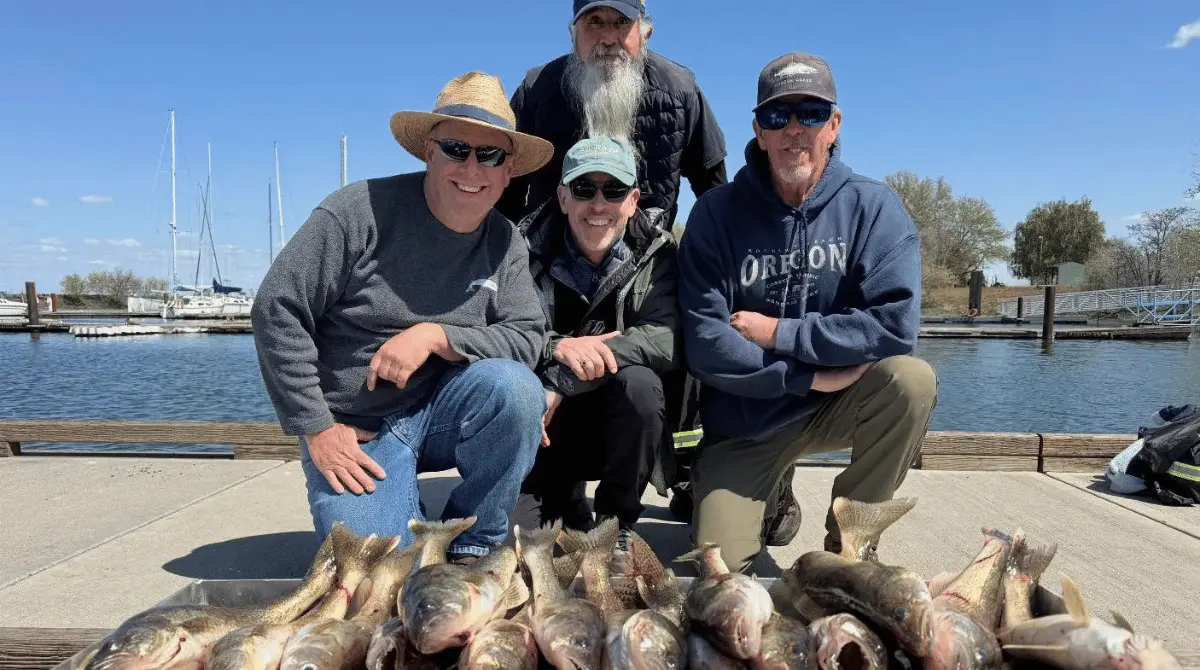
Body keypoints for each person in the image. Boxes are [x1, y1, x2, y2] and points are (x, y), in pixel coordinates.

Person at [251, 71, 556, 564]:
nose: (472, 167)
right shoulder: (357, 211)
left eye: (490, 154)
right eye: (456, 148)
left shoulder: (506, 242)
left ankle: (476, 543)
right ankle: (401, 522)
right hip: (355, 429)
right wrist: (317, 428)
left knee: (517, 389)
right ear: (428, 152)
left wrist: (435, 336)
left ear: (508, 169)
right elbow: (276, 308)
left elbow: (527, 337)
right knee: (382, 572)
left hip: (444, 416)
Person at [676, 52, 939, 574]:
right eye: (778, 116)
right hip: (747, 421)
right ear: (759, 129)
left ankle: (850, 543)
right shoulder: (715, 214)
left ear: (834, 125)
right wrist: (808, 375)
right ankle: (770, 491)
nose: (794, 129)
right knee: (718, 571)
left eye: (811, 114)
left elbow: (894, 326)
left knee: (910, 381)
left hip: (839, 401)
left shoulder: (874, 206)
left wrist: (781, 333)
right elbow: (708, 344)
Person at [516, 136, 681, 563]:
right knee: (523, 553)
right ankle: (564, 500)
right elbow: (503, 332)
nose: (598, 204)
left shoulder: (660, 253)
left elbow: (665, 338)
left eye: (614, 190)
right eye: (585, 189)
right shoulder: (520, 250)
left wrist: (561, 378)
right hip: (544, 430)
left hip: (612, 427)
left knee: (641, 386)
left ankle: (616, 525)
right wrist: (559, 345)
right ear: (562, 196)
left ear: (633, 200)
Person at [496, 0, 728, 233]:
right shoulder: (536, 90)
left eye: (622, 22)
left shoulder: (680, 91)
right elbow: (504, 193)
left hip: (651, 261)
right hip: (545, 260)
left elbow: (716, 198)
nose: (607, 38)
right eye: (594, 22)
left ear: (645, 34)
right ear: (573, 34)